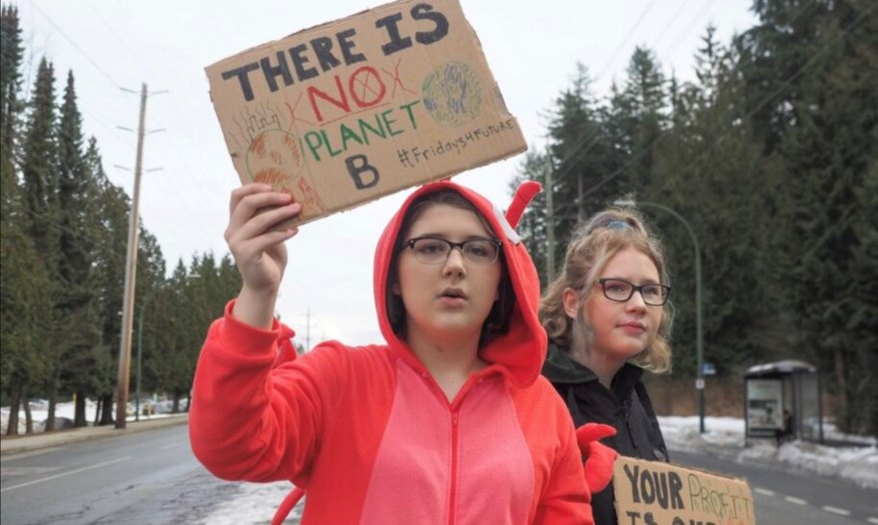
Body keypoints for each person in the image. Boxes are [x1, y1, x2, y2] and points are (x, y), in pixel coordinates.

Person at [189, 180, 593, 524]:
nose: (455, 265)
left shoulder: (541, 405)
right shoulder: (338, 377)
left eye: (477, 250)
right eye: (431, 247)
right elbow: (231, 448)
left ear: (503, 280)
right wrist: (259, 293)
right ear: (393, 275)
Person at [540, 207, 674, 525]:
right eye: (616, 287)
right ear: (573, 303)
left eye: (651, 291)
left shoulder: (634, 394)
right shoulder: (533, 396)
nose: (639, 305)